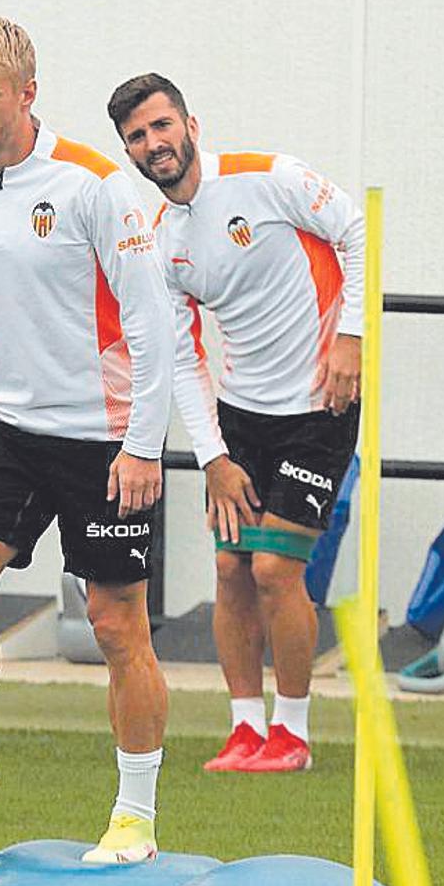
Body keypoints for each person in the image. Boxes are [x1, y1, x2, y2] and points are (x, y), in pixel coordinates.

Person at [0, 16, 174, 865]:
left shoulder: (96, 184)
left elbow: (152, 322)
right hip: (8, 427)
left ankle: (134, 814)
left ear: (28, 93)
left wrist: (142, 444)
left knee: (115, 624)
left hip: (103, 436)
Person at [108, 72, 362, 773]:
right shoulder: (159, 241)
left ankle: (294, 732)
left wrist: (353, 337)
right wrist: (213, 456)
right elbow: (182, 359)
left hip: (321, 406)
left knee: (277, 567)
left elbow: (358, 229)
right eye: (137, 136)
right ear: (128, 151)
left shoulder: (268, 178)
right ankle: (245, 729)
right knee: (229, 568)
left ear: (192, 124)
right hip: (241, 417)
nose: (153, 143)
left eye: (162, 125)